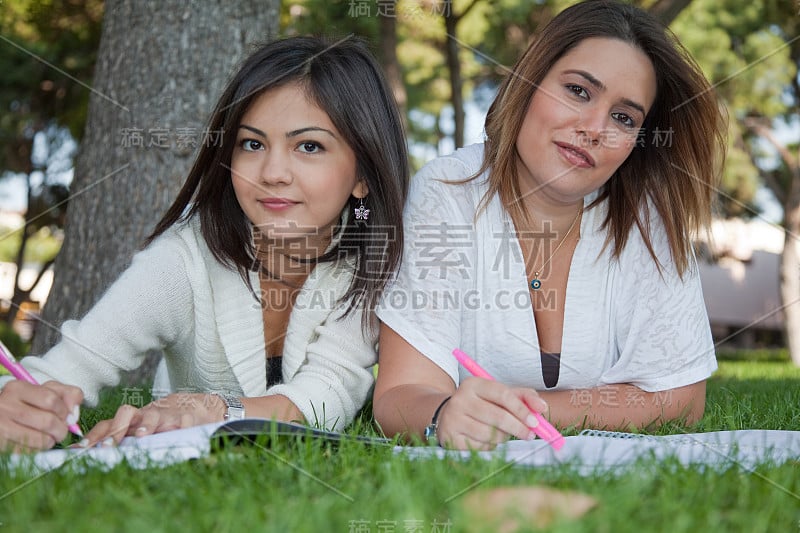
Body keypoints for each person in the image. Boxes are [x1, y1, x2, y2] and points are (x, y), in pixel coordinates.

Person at [0, 36, 409, 452]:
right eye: (252, 143)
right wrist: (17, 404)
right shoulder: (184, 259)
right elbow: (68, 367)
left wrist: (213, 409)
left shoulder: (371, 260)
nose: (272, 172)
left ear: (362, 174)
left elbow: (328, 395)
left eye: (309, 146)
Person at [373, 0, 726, 450]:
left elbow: (680, 397)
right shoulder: (447, 192)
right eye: (578, 91)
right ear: (530, 78)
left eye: (624, 118)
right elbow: (401, 393)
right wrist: (444, 415)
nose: (594, 127)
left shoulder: (647, 215)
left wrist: (523, 410)